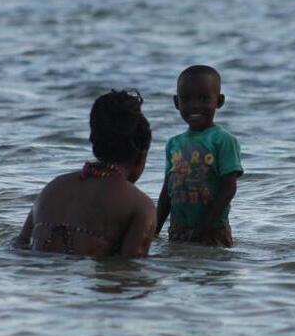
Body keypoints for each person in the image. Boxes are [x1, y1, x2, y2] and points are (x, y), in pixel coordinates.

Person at [14, 90, 156, 258]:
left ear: (94, 142)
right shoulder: (140, 205)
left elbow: (19, 246)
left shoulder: (52, 188)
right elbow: (132, 268)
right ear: (142, 154)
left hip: (41, 278)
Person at [156, 65, 243, 247]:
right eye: (186, 99)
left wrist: (205, 226)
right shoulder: (174, 144)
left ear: (219, 101)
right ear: (176, 102)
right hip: (178, 231)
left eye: (204, 99)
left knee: (211, 271)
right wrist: (153, 231)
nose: (194, 105)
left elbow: (228, 189)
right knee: (179, 272)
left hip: (213, 232)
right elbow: (167, 191)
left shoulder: (223, 141)